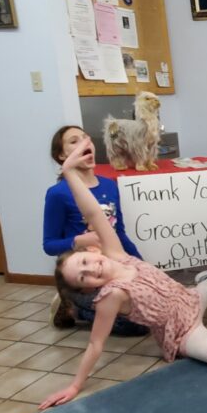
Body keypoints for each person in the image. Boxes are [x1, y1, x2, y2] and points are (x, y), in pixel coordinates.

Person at [39, 139, 207, 410]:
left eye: (85, 261)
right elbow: (95, 344)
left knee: (205, 291)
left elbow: (91, 210)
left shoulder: (114, 251)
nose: (91, 269)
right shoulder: (111, 296)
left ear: (93, 249)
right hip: (182, 330)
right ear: (88, 290)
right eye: (83, 277)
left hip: (186, 298)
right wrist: (75, 385)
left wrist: (69, 171)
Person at [43, 125, 147, 336]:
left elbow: (120, 231)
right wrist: (80, 240)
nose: (83, 143)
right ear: (62, 155)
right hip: (89, 278)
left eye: (85, 138)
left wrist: (142, 267)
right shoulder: (57, 194)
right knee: (137, 326)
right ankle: (75, 308)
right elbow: (49, 245)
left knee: (152, 308)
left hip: (113, 268)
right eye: (74, 141)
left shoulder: (109, 185)